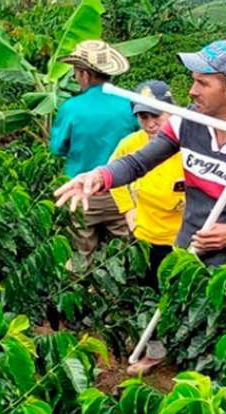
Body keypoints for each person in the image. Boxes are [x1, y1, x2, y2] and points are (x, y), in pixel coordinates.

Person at [54, 40, 226, 374]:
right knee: (175, 317)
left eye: (202, 82)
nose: (191, 91)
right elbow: (138, 163)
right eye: (192, 80)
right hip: (186, 252)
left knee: (223, 347)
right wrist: (100, 176)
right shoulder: (187, 122)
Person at [50, 40, 140, 260]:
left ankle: (79, 293)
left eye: (76, 73)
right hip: (122, 194)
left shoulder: (71, 108)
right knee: (122, 257)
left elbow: (57, 148)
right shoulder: (131, 103)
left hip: (82, 194)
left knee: (80, 258)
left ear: (85, 75)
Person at [109, 80, 184, 291]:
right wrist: (128, 209)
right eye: (144, 117)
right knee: (146, 293)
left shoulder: (190, 143)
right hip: (144, 237)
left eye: (156, 116)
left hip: (180, 239)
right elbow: (113, 175)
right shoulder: (131, 144)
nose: (151, 124)